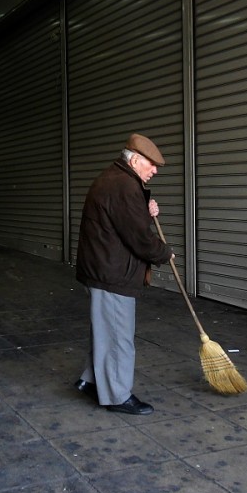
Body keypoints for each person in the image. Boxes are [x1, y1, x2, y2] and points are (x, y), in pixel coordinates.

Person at [74, 133, 174, 415]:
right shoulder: (124, 186)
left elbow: (122, 218)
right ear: (135, 160)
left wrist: (144, 208)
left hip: (103, 268)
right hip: (112, 273)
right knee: (118, 336)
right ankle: (117, 395)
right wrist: (164, 253)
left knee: (105, 331)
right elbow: (139, 237)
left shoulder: (114, 179)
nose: (154, 171)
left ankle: (91, 381)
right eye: (151, 165)